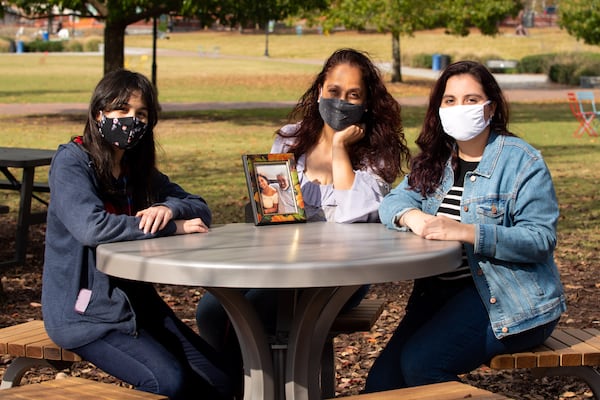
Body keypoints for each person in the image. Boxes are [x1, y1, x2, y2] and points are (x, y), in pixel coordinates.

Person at [195, 48, 411, 387]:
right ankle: (234, 389)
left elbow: (354, 217)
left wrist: (340, 149)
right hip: (280, 262)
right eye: (334, 92)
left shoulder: (376, 152)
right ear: (320, 90)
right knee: (209, 311)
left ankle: (254, 390)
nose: (341, 102)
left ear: (367, 102)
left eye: (354, 95)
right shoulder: (290, 138)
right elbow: (272, 208)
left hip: (341, 273)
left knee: (251, 315)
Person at [364, 60, 567, 392]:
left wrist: (466, 231)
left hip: (508, 298)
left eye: (472, 100)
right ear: (438, 109)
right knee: (381, 384)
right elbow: (392, 202)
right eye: (450, 100)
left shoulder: (522, 161)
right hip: (439, 296)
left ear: (491, 107)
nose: (460, 108)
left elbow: (540, 239)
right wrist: (413, 217)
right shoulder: (435, 161)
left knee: (421, 365)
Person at [41, 69, 235, 400]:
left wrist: (170, 209)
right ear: (99, 113)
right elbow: (92, 228)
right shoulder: (72, 163)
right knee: (168, 382)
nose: (131, 121)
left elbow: (199, 206)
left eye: (141, 114)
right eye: (122, 110)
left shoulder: (135, 169)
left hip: (139, 306)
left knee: (224, 381)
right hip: (85, 314)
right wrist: (169, 228)